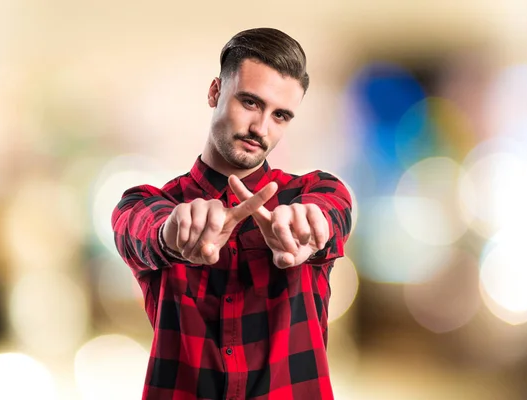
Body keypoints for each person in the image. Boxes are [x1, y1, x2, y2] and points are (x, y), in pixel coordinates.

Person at [112, 27, 352, 400]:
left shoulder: (312, 193)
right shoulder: (149, 203)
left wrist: (310, 229)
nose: (261, 129)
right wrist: (171, 235)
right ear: (214, 92)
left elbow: (334, 213)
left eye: (281, 115)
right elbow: (137, 228)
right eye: (251, 103)